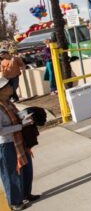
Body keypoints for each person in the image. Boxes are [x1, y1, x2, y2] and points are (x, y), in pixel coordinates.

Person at [0, 76, 39, 210]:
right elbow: (0, 130)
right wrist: (20, 126)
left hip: (19, 140)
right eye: (8, 86)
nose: (11, 87)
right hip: (6, 144)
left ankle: (26, 194)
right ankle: (15, 202)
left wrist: (25, 116)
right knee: (10, 173)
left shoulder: (9, 103)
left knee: (26, 168)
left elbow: (15, 118)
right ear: (1, 91)